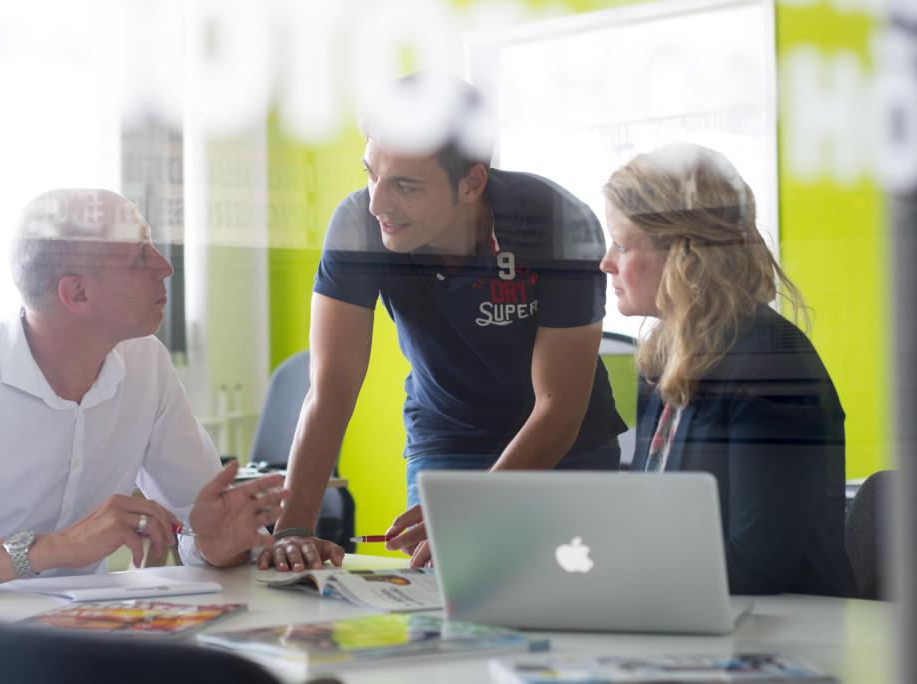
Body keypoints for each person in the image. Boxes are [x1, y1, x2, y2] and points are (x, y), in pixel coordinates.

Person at [258, 73, 627, 572]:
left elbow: (558, 404)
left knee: (577, 590)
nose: (377, 203)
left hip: (566, 442)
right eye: (372, 174)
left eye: (405, 186)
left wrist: (475, 510)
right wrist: (295, 528)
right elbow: (332, 388)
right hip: (448, 437)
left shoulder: (558, 223)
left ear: (472, 182)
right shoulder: (358, 226)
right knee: (451, 590)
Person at [0, 189, 286, 593]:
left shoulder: (146, 363)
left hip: (89, 628)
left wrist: (218, 545)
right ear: (77, 293)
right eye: (139, 257)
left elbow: (204, 525)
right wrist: (54, 549)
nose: (164, 266)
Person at [599, 143, 852, 595]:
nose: (606, 263)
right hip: (695, 610)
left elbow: (755, 568)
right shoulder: (664, 356)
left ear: (683, 252)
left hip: (786, 631)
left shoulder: (771, 364)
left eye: (621, 244)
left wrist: (618, 576)